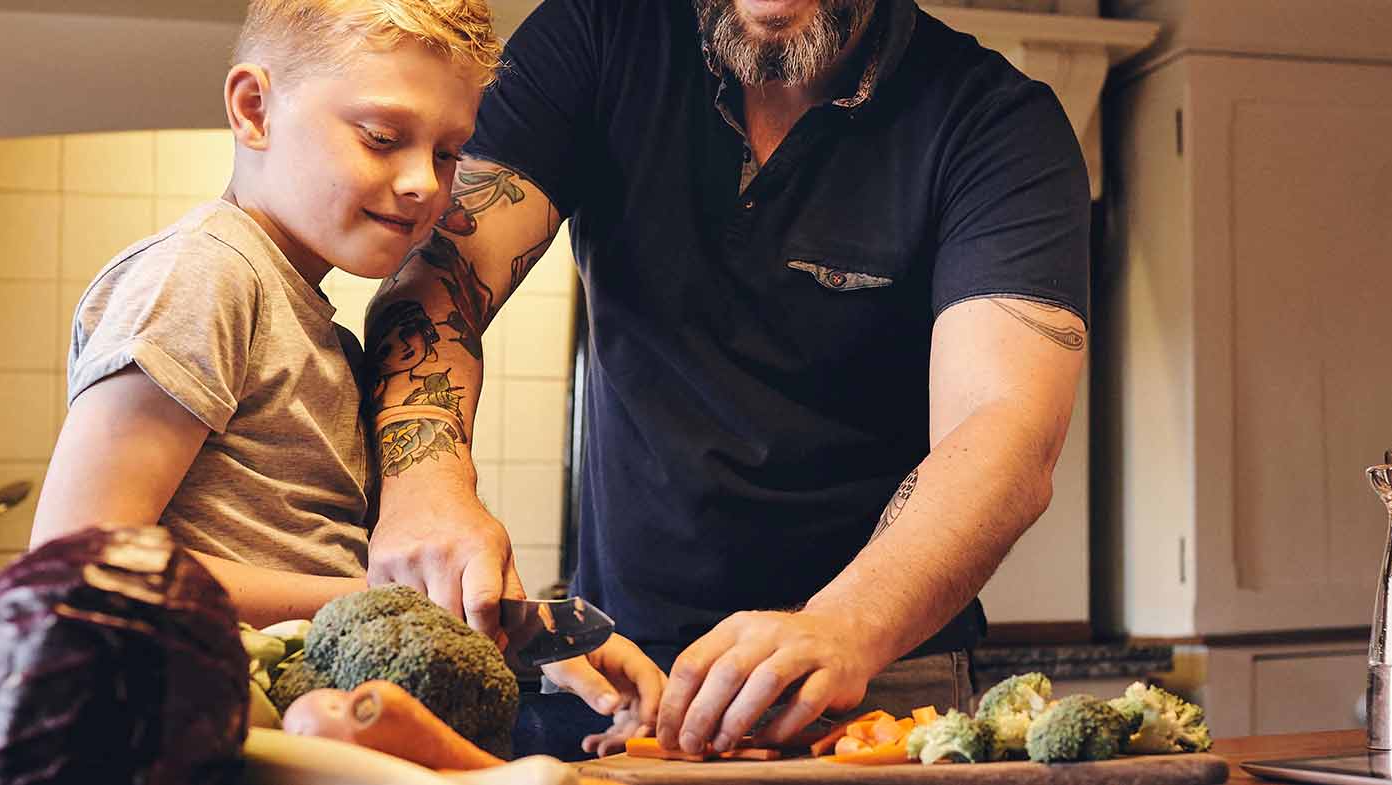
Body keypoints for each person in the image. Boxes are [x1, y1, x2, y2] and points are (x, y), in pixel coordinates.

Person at [362, 0, 1091, 760]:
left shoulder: (996, 121)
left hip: (880, 673)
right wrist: (424, 485)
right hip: (619, 673)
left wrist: (844, 624)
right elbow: (442, 278)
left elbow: (1002, 424)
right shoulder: (596, 32)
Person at [27, 0, 662, 749]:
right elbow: (81, 566)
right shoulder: (204, 275)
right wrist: (378, 604)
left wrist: (539, 638)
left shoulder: (317, 326)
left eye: (450, 151)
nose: (425, 182)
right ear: (254, 109)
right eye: (383, 138)